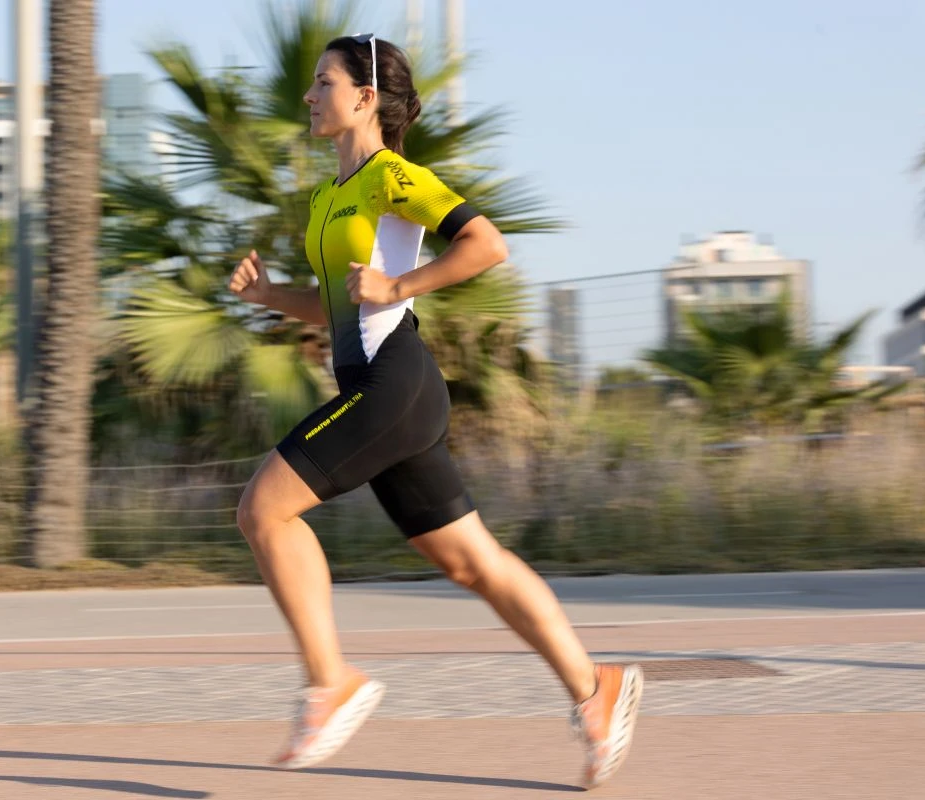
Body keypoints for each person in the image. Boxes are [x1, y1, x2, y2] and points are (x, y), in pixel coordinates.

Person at [228, 33, 642, 788]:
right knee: (470, 562)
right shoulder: (327, 196)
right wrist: (269, 297)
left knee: (264, 510)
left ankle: (331, 682)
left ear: (365, 97)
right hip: (380, 391)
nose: (309, 96)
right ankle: (596, 687)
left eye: (323, 83)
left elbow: (486, 245)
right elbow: (338, 307)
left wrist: (399, 287)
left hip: (394, 383)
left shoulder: (394, 176)